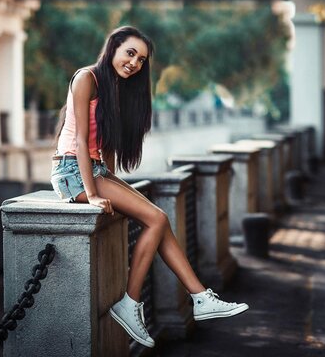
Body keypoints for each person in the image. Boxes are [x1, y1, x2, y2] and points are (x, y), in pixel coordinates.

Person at [51, 26, 248, 348]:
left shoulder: (117, 88)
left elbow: (108, 146)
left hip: (94, 168)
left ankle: (199, 298)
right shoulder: (86, 77)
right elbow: (80, 141)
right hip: (71, 169)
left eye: (141, 60)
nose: (134, 63)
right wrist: (96, 194)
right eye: (130, 53)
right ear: (113, 47)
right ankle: (131, 304)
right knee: (156, 218)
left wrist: (113, 181)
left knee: (158, 219)